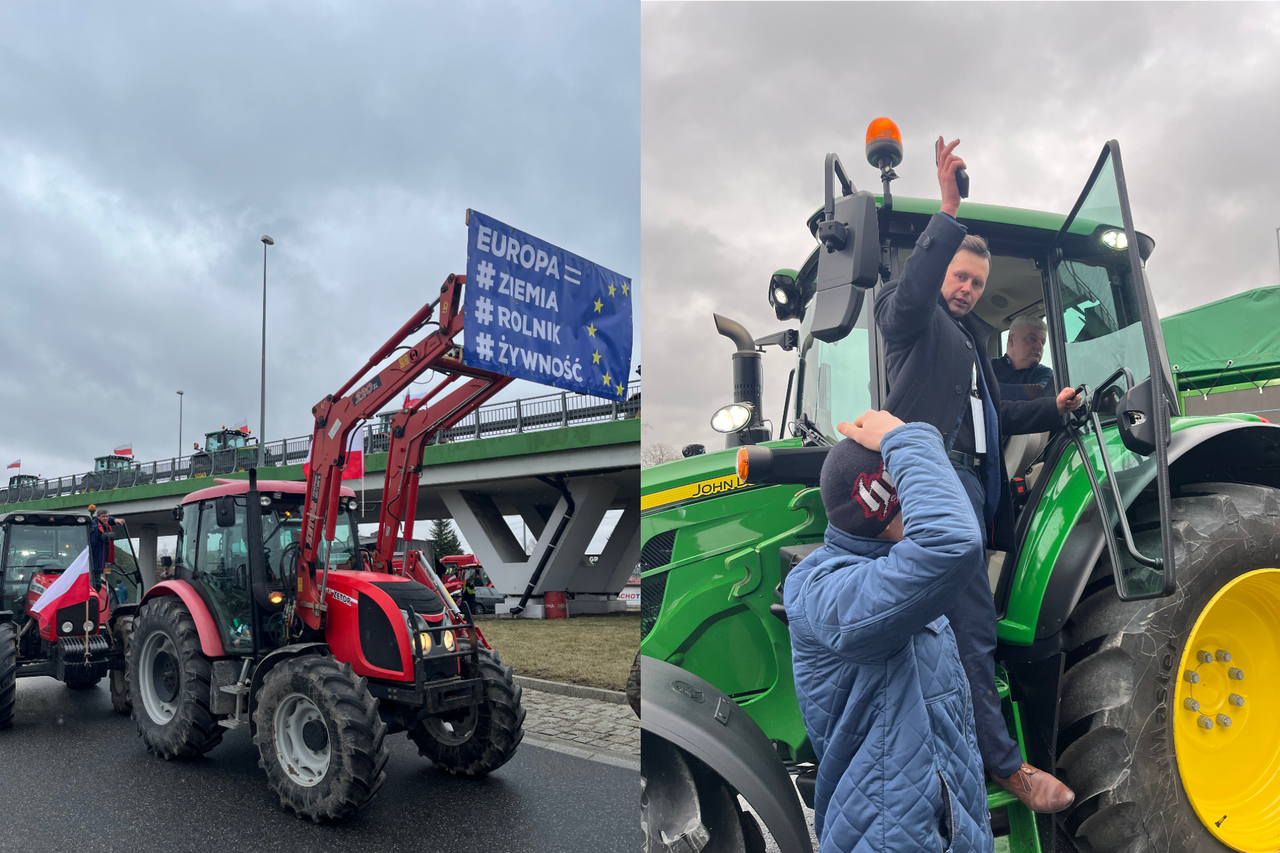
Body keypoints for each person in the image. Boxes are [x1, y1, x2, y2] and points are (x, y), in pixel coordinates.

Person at [864, 137, 1077, 813]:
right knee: (967, 626)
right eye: (960, 276)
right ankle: (998, 761)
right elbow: (911, 292)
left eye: (977, 283)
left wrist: (1054, 405)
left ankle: (972, 753)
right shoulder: (909, 319)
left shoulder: (970, 348)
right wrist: (947, 212)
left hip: (970, 492)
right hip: (932, 481)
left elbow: (1001, 417)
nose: (967, 288)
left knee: (968, 628)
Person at [785, 411, 992, 853]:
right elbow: (953, 543)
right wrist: (907, 441)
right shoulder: (827, 589)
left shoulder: (889, 573)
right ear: (884, 500)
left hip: (937, 830)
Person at [993, 315, 1053, 401]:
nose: (1039, 347)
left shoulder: (1044, 373)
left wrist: (987, 389)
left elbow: (1041, 393)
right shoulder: (986, 367)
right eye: (1031, 339)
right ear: (1011, 340)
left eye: (1042, 342)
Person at [89, 506, 124, 574]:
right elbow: (93, 544)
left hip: (103, 553)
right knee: (97, 572)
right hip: (97, 554)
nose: (106, 518)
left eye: (107, 516)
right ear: (98, 517)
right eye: (103, 516)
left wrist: (114, 520)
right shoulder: (95, 527)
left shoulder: (101, 523)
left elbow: (108, 519)